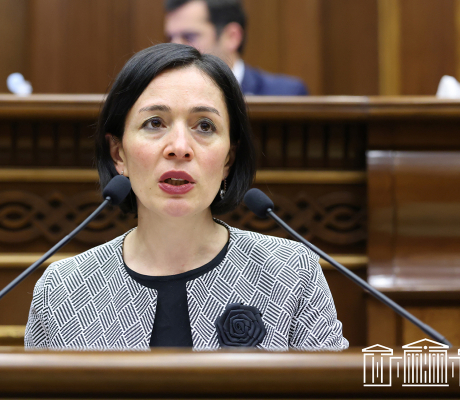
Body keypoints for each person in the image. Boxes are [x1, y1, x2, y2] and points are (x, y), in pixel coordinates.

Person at [24, 43, 347, 351]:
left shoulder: (291, 272)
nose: (179, 147)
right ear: (118, 153)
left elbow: (347, 384)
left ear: (229, 159)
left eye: (204, 126)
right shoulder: (63, 289)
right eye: (155, 123)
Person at [164, 0, 308, 96]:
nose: (175, 48)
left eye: (189, 37)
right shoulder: (164, 94)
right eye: (170, 38)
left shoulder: (286, 94)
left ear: (231, 37)